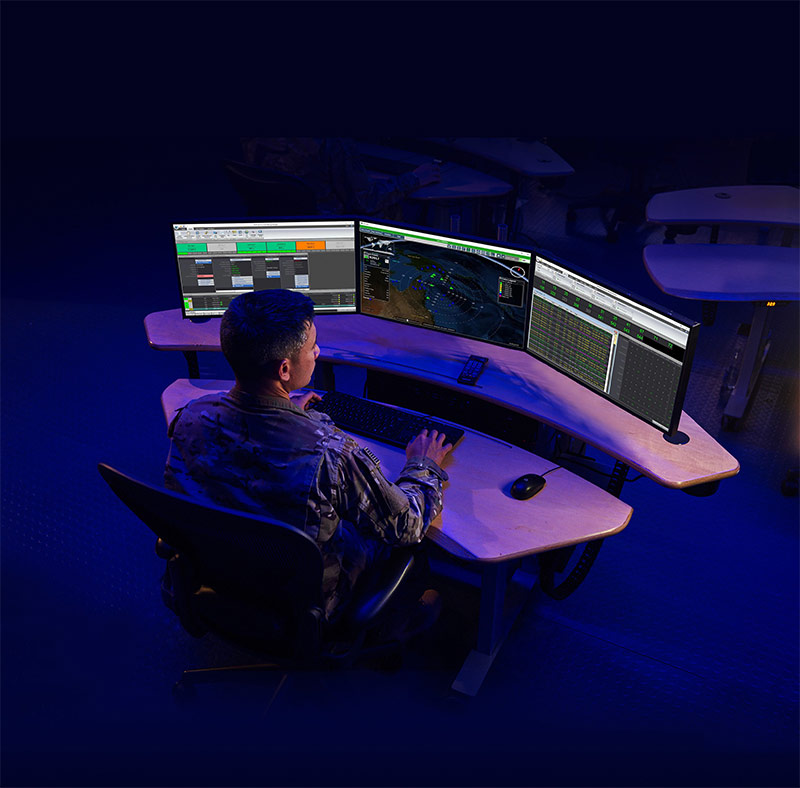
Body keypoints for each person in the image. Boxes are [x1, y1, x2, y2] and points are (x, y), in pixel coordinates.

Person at [164, 288, 453, 623]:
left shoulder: (189, 417)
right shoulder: (331, 454)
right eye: (311, 346)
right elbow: (408, 525)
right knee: (400, 539)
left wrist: (286, 411)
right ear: (284, 369)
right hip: (301, 602)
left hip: (217, 574)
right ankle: (405, 614)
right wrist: (423, 463)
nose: (317, 351)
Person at [240, 137, 440, 217]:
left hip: (272, 218)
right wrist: (414, 178)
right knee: (394, 205)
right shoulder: (332, 143)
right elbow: (365, 201)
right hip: (327, 225)